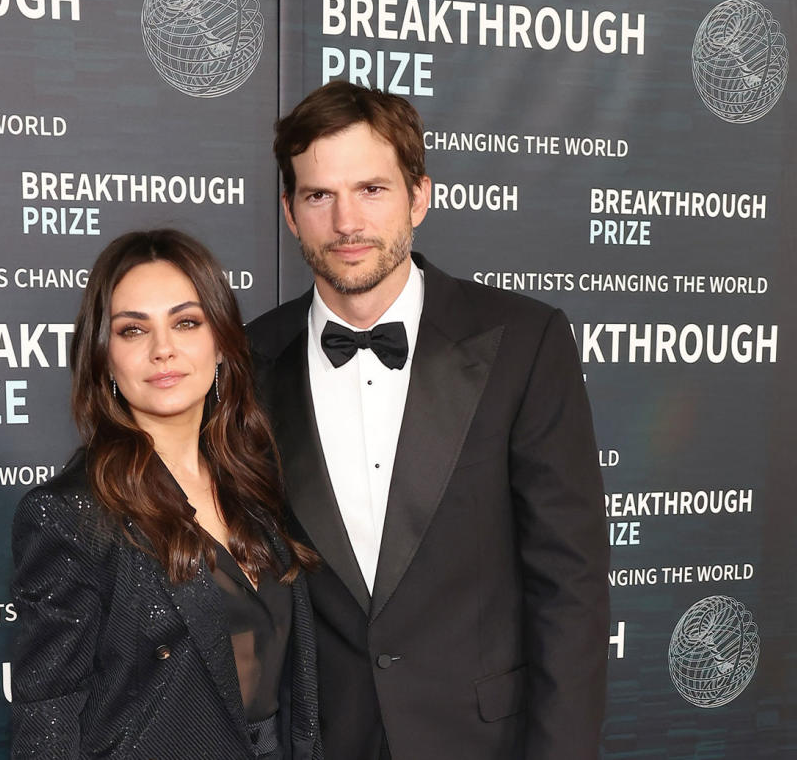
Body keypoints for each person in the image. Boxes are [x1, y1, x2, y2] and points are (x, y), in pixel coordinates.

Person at [247, 81, 609, 759]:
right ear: (290, 214)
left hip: (484, 740)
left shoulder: (524, 343)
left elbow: (570, 586)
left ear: (420, 196)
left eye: (372, 190)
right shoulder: (247, 362)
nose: (346, 222)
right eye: (319, 195)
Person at [11, 229, 322, 760]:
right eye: (133, 331)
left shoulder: (255, 483)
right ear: (104, 357)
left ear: (221, 342)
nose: (163, 350)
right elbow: (49, 717)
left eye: (186, 322)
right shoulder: (71, 514)